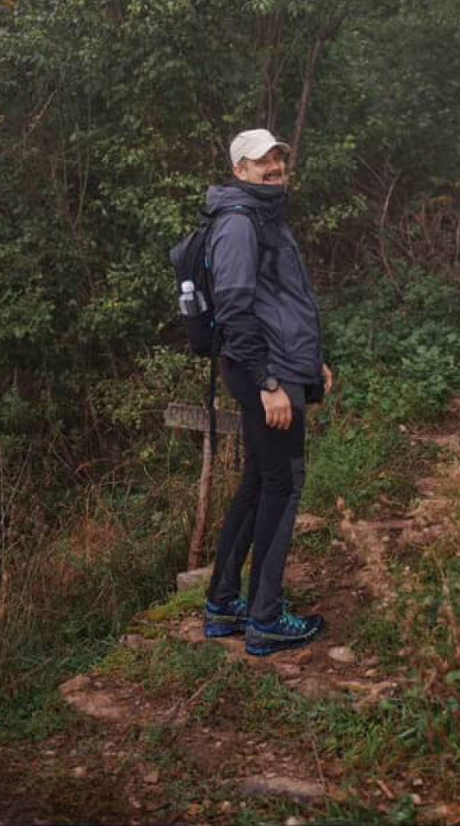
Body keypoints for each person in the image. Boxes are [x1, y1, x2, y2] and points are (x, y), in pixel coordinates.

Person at [201, 128, 331, 656]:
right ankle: (266, 619)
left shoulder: (264, 216)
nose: (274, 168)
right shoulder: (239, 223)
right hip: (264, 373)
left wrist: (309, 362)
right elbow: (235, 310)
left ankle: (223, 604)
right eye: (262, 162)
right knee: (285, 483)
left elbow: (279, 303)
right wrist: (270, 383)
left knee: (260, 480)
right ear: (240, 170)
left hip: (278, 365)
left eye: (278, 159)